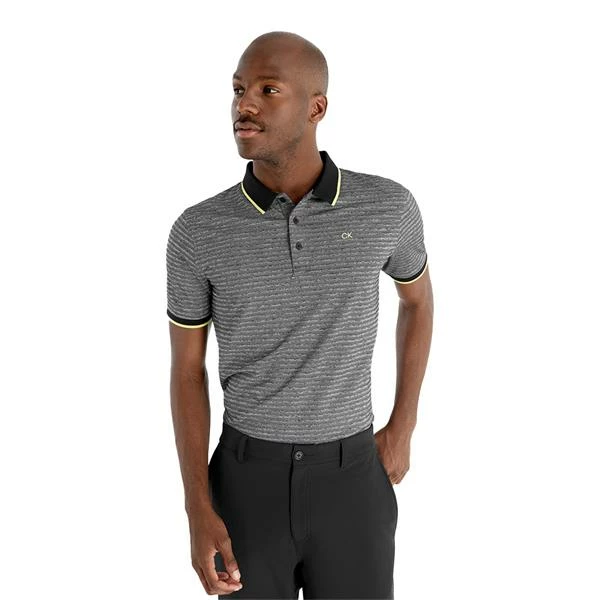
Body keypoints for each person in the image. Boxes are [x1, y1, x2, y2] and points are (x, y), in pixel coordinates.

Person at [166, 30, 434, 599]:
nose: (244, 103)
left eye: (268, 89)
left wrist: (403, 424)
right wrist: (196, 506)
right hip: (244, 486)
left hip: (353, 480)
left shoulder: (386, 207)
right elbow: (187, 370)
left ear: (317, 108)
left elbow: (417, 301)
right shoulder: (198, 231)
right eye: (238, 89)